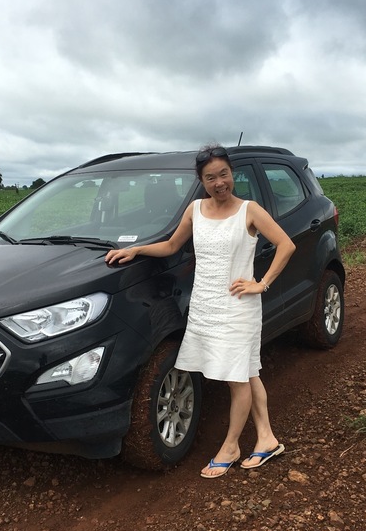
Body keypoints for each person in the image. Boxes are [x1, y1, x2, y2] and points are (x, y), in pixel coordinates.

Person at [104, 144, 296, 478]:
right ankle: (266, 439)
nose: (219, 182)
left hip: (239, 306)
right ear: (201, 180)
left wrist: (261, 284)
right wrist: (135, 249)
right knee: (248, 371)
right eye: (211, 177)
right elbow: (171, 245)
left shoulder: (249, 210)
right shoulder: (195, 210)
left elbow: (286, 244)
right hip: (206, 305)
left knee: (236, 378)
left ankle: (231, 446)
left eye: (224, 174)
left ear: (231, 173)